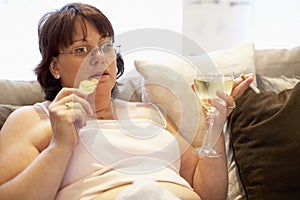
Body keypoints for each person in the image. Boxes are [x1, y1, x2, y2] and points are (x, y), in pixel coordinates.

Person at [0, 3, 254, 200]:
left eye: (105, 46)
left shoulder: (150, 114)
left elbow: (208, 194)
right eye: (81, 49)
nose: (98, 58)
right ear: (55, 67)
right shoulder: (33, 119)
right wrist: (60, 145)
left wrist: (214, 125)